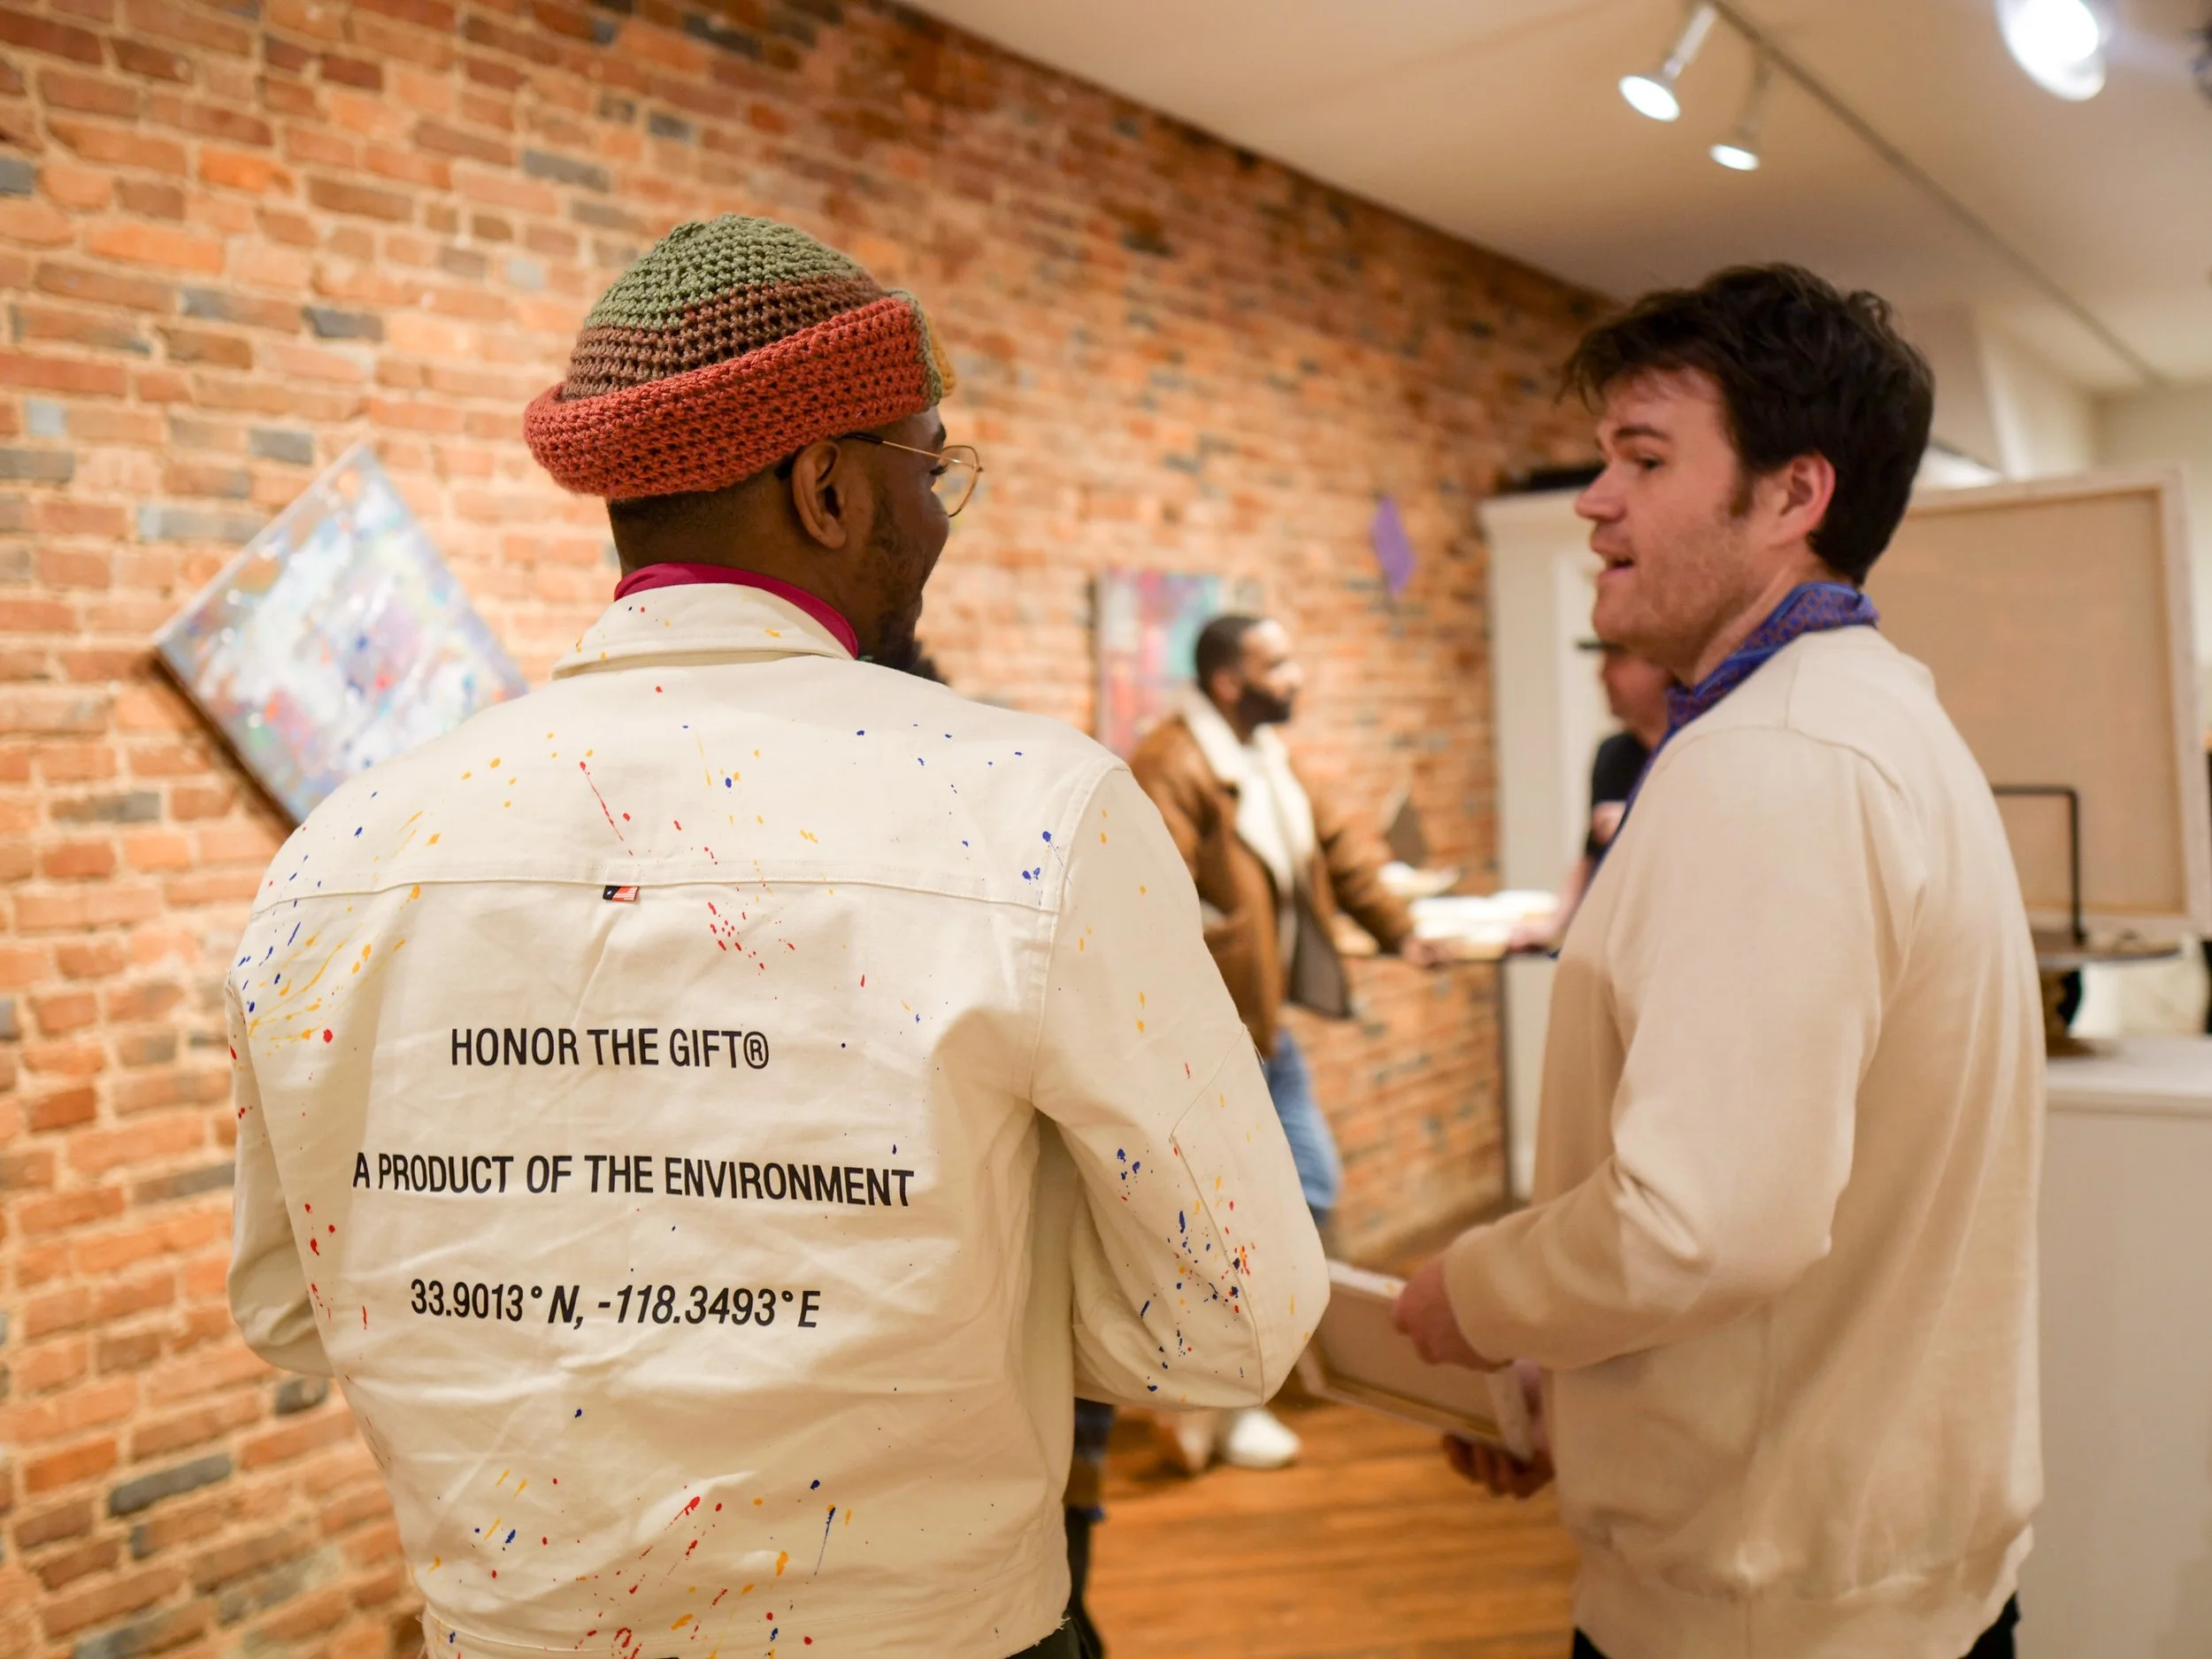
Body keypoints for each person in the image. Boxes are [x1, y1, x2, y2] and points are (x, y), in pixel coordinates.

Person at [226, 216, 1327, 1659]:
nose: (939, 512)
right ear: (824, 488)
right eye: (928, 466)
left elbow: (294, 1307)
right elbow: (1234, 1319)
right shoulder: (1027, 810)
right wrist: (953, 1302)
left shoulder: (342, 853)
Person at [1394, 265, 2042, 1659]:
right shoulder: (1859, 720)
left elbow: (1702, 1219)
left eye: (1645, 457)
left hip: (1773, 1612)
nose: (1592, 498)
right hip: (1840, 1570)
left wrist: (1484, 1288)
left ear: (1793, 495)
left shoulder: (1776, 762)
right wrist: (1570, 1379)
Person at [1129, 613, 1444, 1472]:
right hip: (1211, 1034)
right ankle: (1221, 1401)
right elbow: (1149, 898)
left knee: (1305, 1186)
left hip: (1259, 1029)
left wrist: (1400, 929)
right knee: (1233, 1221)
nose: (1296, 676)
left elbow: (1335, 847)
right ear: (1230, 682)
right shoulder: (1174, 763)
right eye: (1279, 664)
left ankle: (1268, 1367)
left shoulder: (1261, 759)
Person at [1509, 641, 1672, 951]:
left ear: (1661, 666)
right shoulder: (1614, 755)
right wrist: (1553, 925)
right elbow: (1590, 856)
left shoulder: (1695, 751)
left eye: (1617, 658)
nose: (1602, 675)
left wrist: (1635, 825)